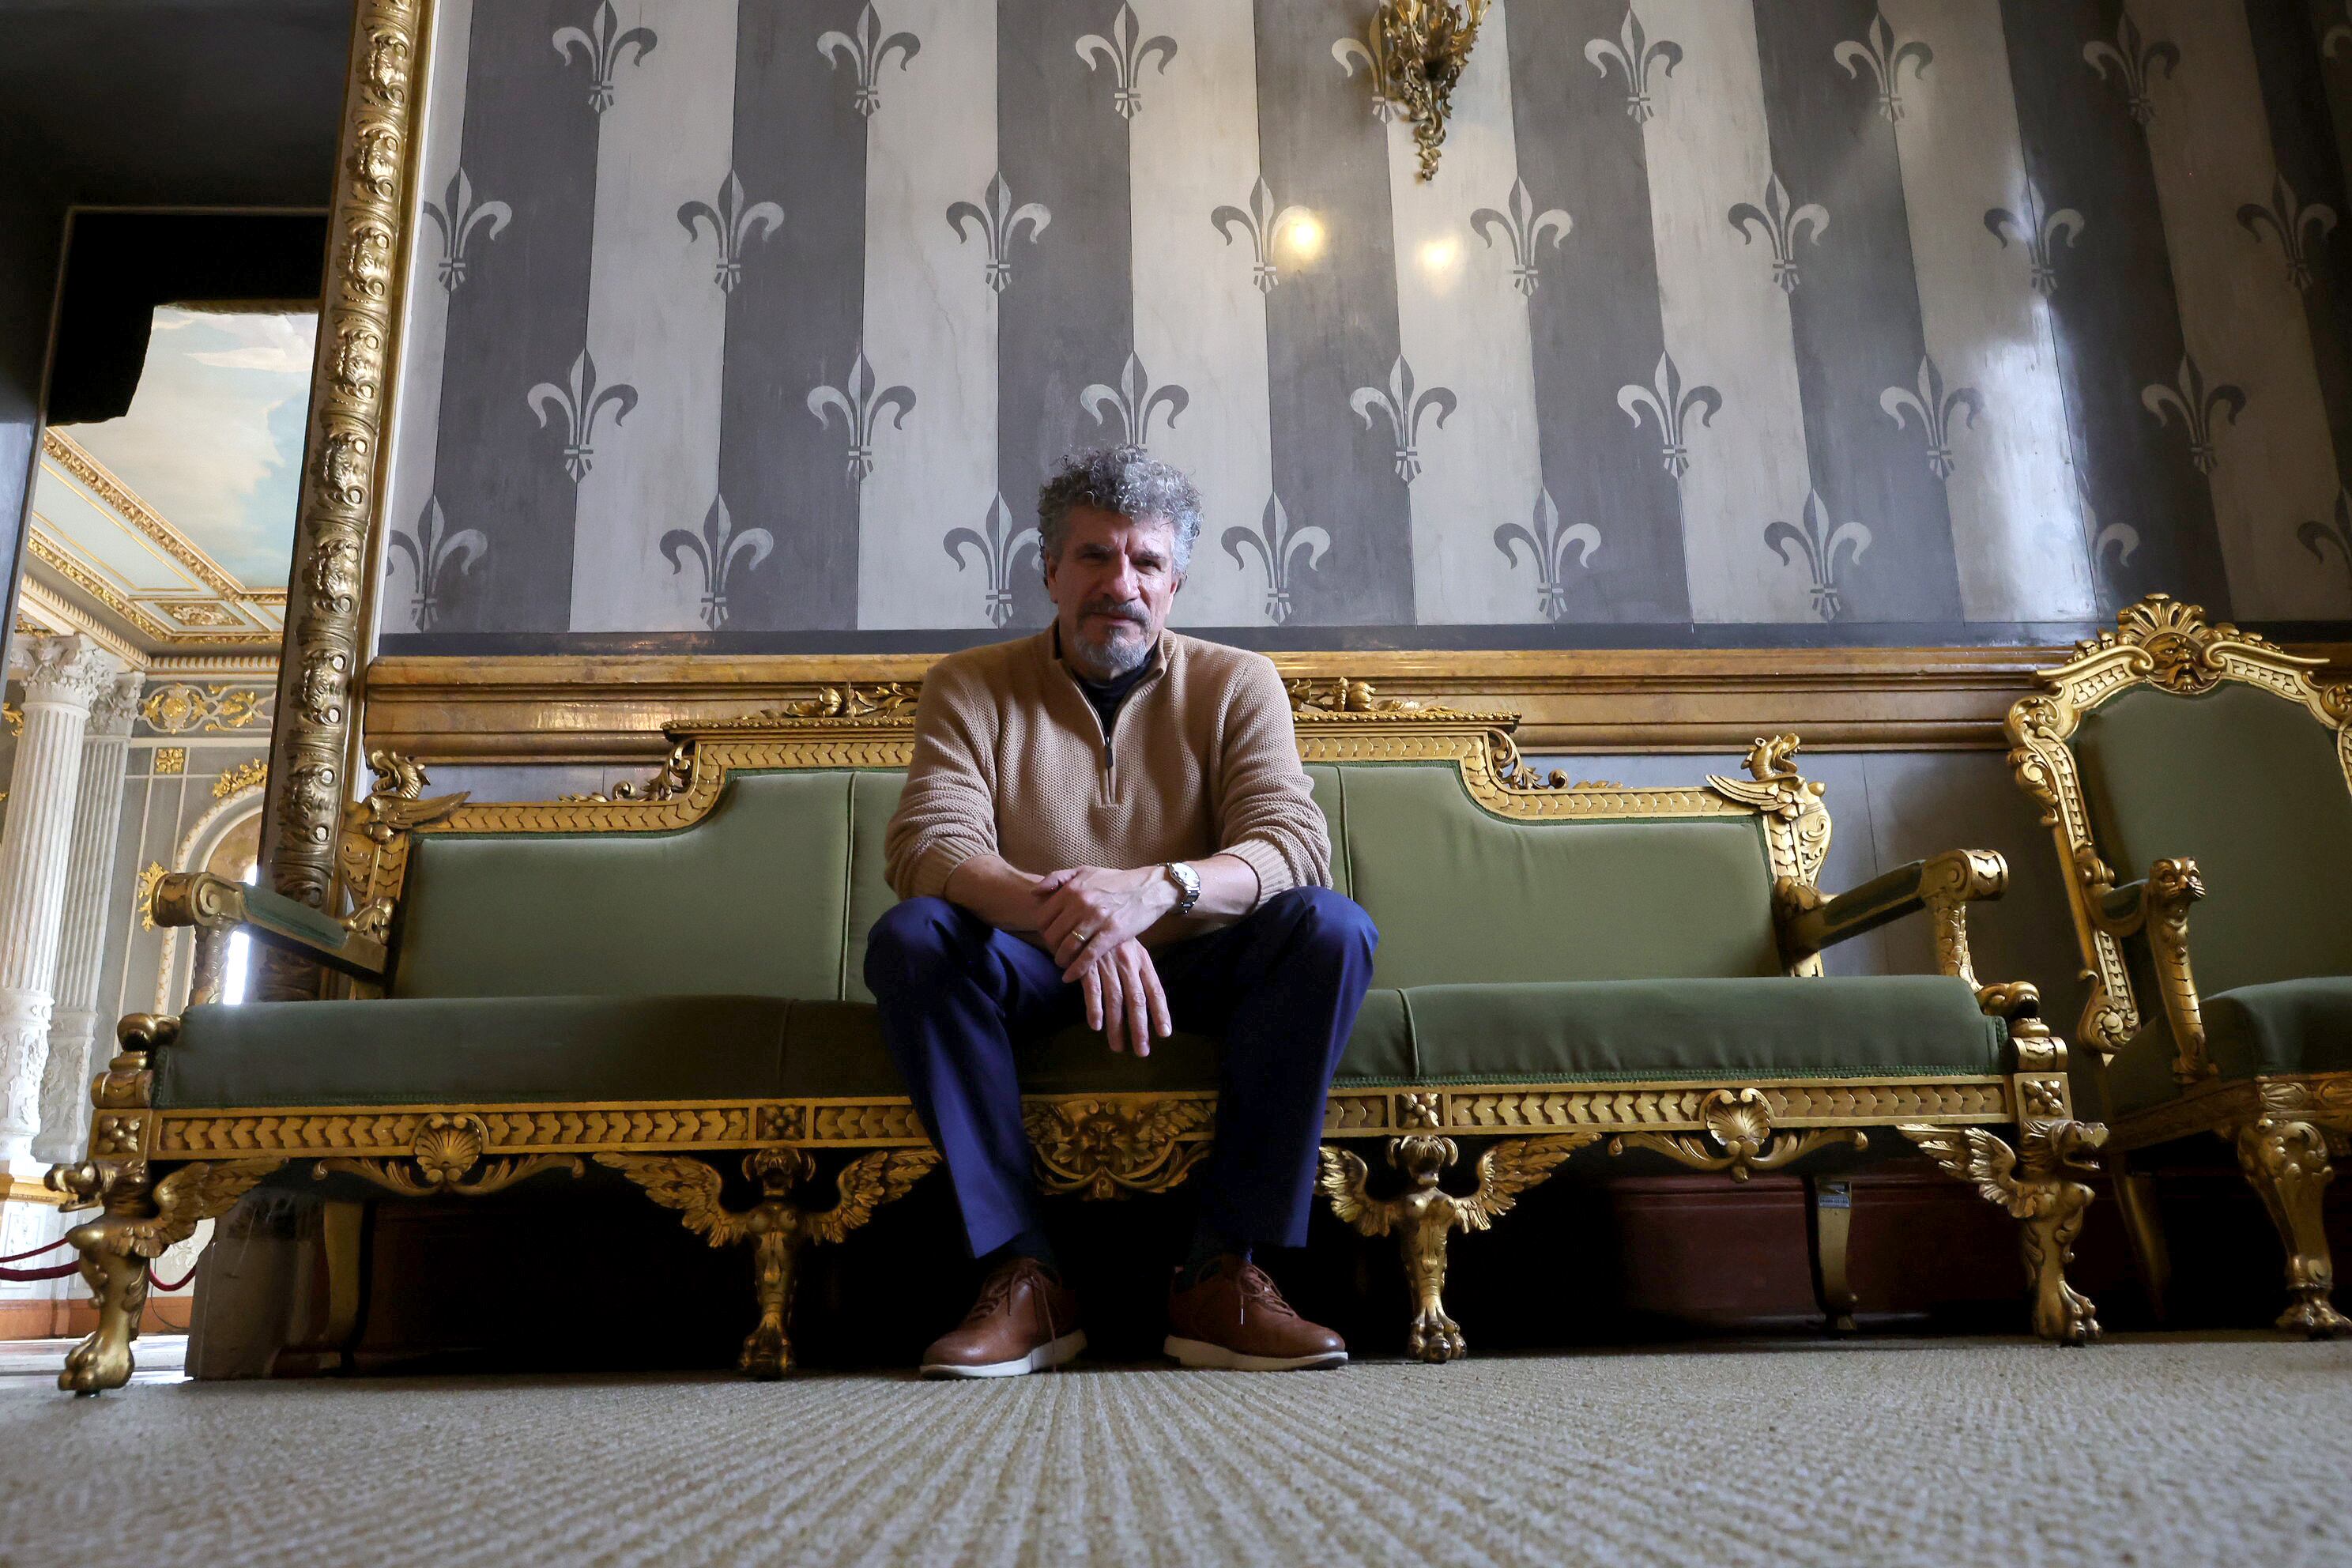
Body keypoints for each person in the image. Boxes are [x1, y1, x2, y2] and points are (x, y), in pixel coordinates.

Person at [866, 446, 1379, 1378]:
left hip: (1197, 967)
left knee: (1333, 927)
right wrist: (1072, 912)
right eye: (1095, 557)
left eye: (1145, 562)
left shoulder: (1238, 683)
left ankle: (1222, 1273)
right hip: (1027, 966)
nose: (1120, 583)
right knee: (914, 938)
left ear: (1175, 582)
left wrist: (1151, 894)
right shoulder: (969, 684)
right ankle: (1026, 1276)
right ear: (1050, 572)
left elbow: (1291, 845)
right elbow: (929, 848)